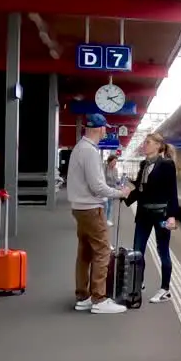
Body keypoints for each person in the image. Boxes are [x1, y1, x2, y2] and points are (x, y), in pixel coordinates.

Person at [67, 113, 131, 314]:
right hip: (92, 209)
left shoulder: (80, 148)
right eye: (105, 128)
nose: (106, 131)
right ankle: (99, 299)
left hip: (80, 208)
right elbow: (97, 186)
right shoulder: (90, 151)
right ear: (101, 129)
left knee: (84, 253)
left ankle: (83, 296)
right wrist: (120, 193)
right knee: (102, 251)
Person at [125, 132, 180, 304]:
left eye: (148, 142)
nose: (144, 145)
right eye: (144, 142)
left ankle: (165, 289)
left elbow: (172, 192)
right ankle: (138, 283)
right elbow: (141, 190)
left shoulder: (166, 165)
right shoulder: (144, 164)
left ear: (158, 145)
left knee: (163, 250)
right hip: (143, 215)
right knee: (137, 249)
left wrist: (172, 216)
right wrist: (123, 196)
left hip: (161, 215)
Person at [104, 154, 120, 227]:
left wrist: (120, 183)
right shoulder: (104, 168)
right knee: (106, 205)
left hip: (112, 189)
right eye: (114, 162)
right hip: (104, 189)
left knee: (110, 205)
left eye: (116, 162)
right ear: (109, 161)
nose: (115, 163)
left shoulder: (115, 169)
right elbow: (102, 179)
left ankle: (108, 220)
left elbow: (116, 179)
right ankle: (103, 220)